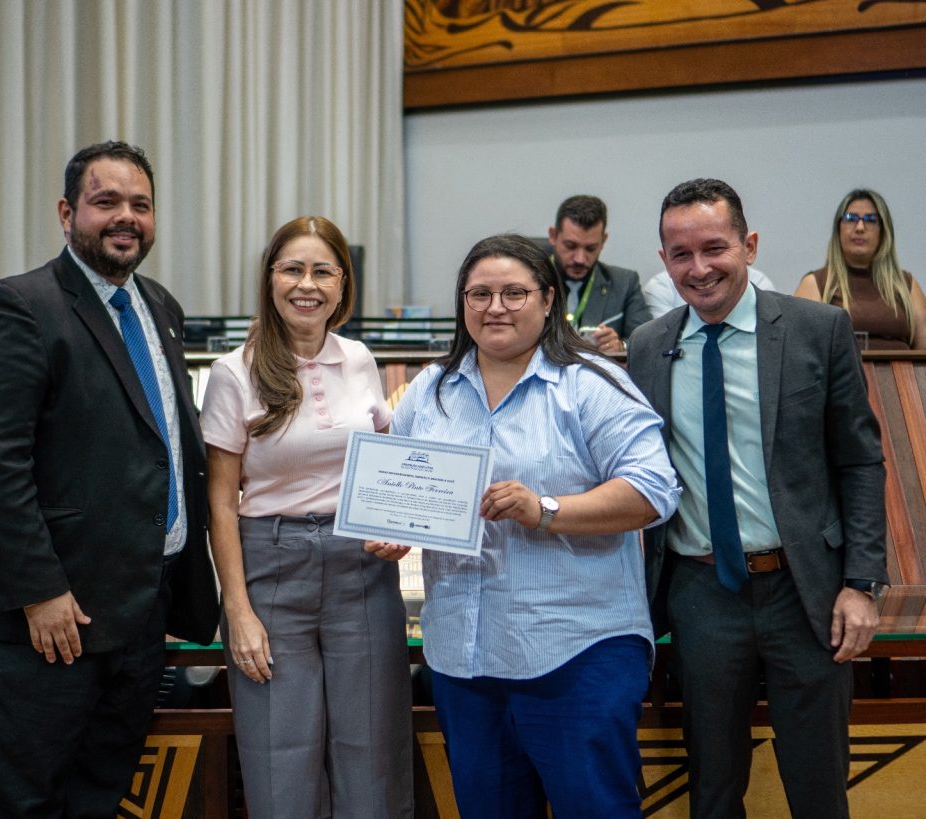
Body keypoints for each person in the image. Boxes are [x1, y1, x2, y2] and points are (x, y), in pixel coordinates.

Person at [0, 140, 219, 816]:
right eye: (107, 202)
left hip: (139, 613)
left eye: (141, 205)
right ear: (67, 213)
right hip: (50, 621)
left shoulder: (160, 307)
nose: (126, 217)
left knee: (99, 798)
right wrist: (41, 591)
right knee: (24, 802)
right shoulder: (18, 305)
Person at [371, 234, 679, 818]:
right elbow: (403, 492)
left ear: (548, 299)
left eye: (514, 293)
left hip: (576, 655)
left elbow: (653, 490)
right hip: (464, 659)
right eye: (479, 294)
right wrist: (396, 528)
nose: (496, 307)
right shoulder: (430, 391)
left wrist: (546, 509)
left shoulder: (591, 384)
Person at [628, 179, 887, 819]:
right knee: (713, 787)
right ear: (663, 260)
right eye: (681, 254)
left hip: (807, 592)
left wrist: (861, 583)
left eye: (714, 248)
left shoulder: (817, 329)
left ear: (749, 245)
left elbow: (859, 461)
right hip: (700, 593)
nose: (699, 268)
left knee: (818, 784)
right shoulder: (648, 347)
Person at [201, 216, 414, 818]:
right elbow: (221, 501)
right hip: (271, 569)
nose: (307, 285)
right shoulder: (234, 372)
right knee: (281, 765)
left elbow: (384, 465)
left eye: (323, 271)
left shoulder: (361, 359)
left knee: (373, 757)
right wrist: (237, 611)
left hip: (361, 571)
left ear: (343, 284)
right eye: (292, 269)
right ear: (269, 278)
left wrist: (395, 526)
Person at [794, 188, 926, 349]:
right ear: (838, 228)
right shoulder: (815, 284)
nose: (860, 227)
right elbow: (799, 351)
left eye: (870, 219)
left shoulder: (906, 285)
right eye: (851, 218)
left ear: (883, 231)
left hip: (901, 367)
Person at [547, 194, 651, 351]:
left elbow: (648, 344)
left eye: (590, 248)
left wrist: (621, 346)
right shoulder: (528, 280)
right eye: (571, 246)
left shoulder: (625, 283)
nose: (580, 259)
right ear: (553, 236)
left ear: (604, 240)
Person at [643, 266, 775, 319]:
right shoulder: (661, 286)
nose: (700, 272)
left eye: (714, 249)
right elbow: (663, 340)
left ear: (749, 248)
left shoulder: (758, 282)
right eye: (683, 254)